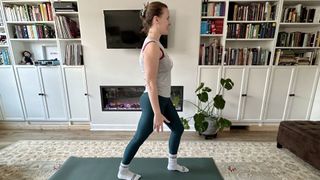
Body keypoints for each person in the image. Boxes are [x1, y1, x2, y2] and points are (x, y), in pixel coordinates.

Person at [117, 1, 189, 180]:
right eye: (167, 18)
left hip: (162, 98)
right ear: (156, 20)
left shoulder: (156, 43)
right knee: (139, 137)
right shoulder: (152, 46)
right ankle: (123, 170)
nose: (169, 22)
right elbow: (150, 82)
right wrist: (157, 112)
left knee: (178, 129)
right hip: (153, 100)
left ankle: (172, 163)